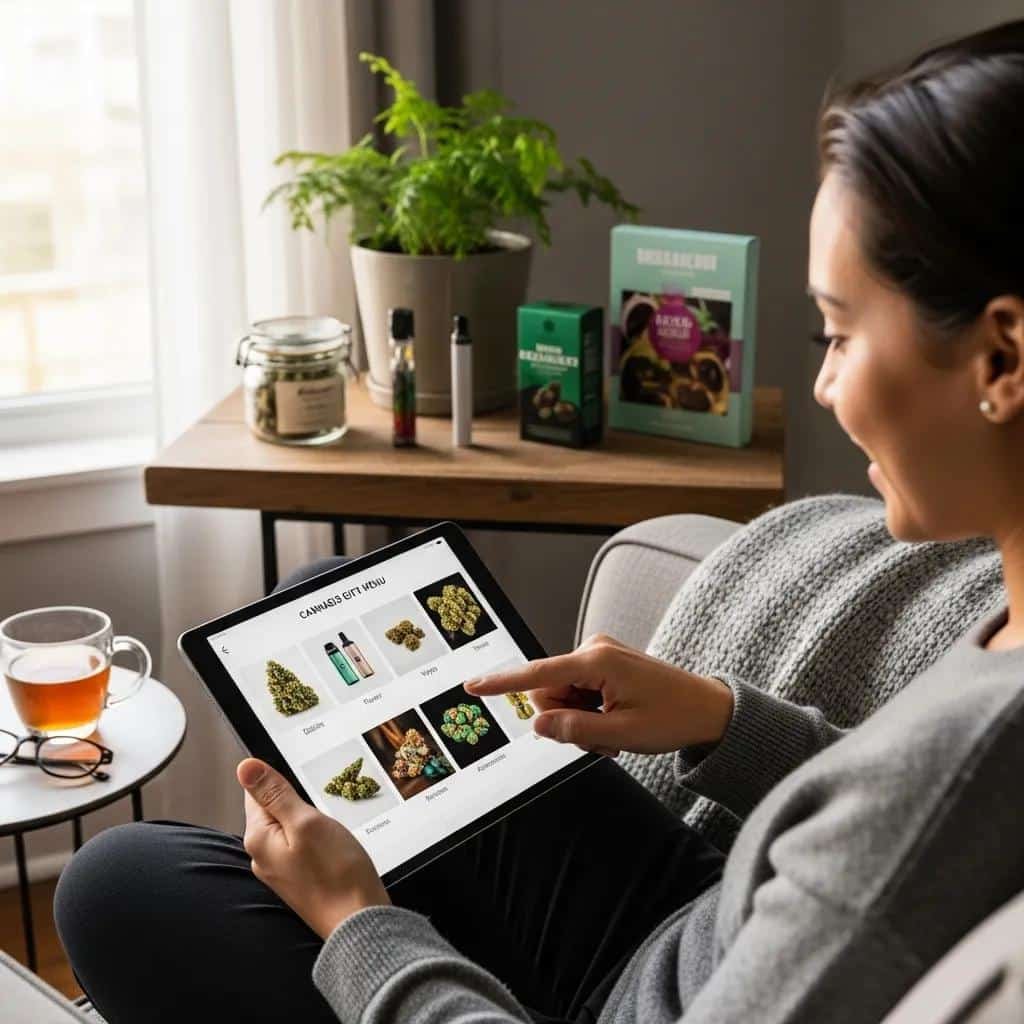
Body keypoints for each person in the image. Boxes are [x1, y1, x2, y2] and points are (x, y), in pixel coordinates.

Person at [54, 20, 1024, 1024]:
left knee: (116, 882)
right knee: (329, 609)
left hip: (628, 999)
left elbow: (904, 829)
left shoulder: (958, 778)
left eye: (839, 332)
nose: (822, 384)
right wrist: (722, 718)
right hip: (695, 922)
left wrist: (357, 920)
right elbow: (889, 814)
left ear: (1001, 358)